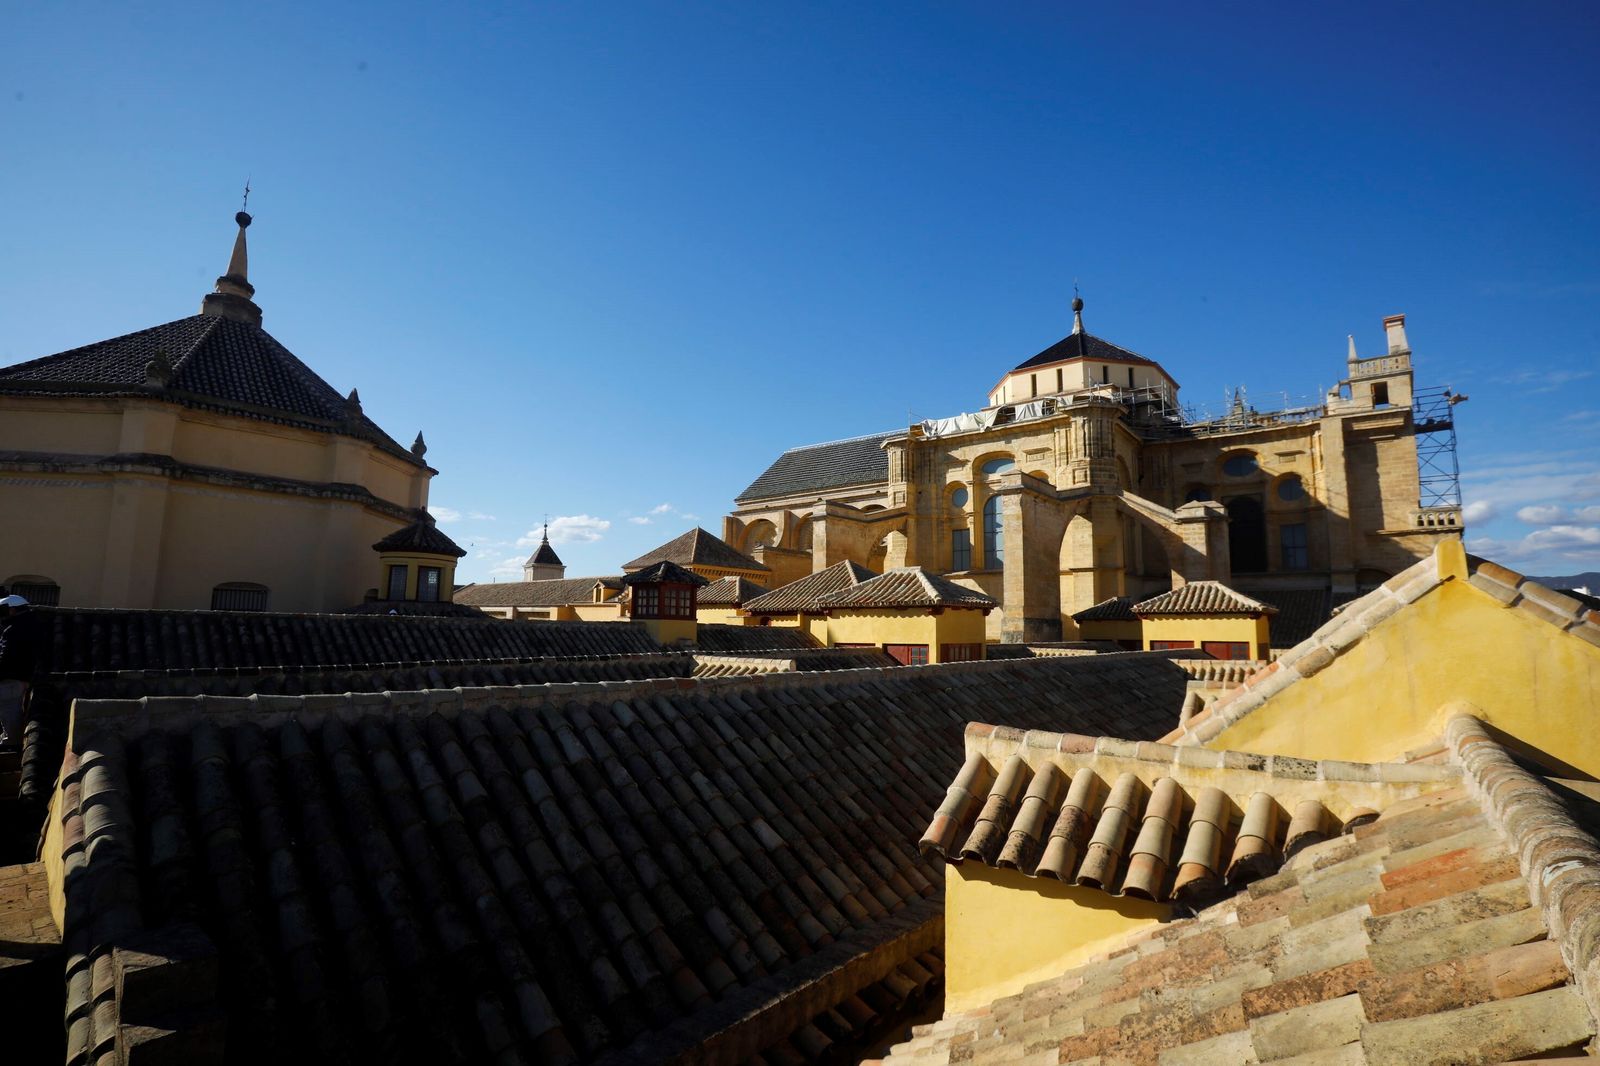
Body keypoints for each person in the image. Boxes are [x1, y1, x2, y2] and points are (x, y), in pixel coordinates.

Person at [0, 594, 43, 750]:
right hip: (24, 675)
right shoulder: (33, 625)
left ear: (12, 610)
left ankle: (11, 741)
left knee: (9, 708)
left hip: (10, 677)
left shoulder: (13, 630)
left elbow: (6, 656)